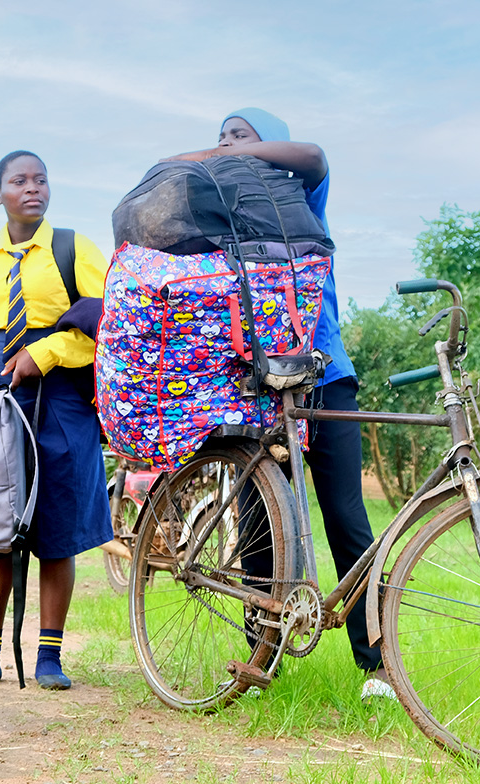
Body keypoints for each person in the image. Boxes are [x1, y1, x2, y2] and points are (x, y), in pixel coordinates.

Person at [164, 108, 395, 701]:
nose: (226, 145)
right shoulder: (227, 221)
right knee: (258, 521)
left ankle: (377, 667)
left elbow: (315, 156)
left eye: (240, 135)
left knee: (347, 519)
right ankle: (261, 660)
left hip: (324, 376)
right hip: (258, 385)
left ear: (271, 143)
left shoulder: (298, 200)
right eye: (220, 137)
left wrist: (213, 156)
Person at [0, 150, 111, 690]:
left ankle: (48, 656)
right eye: (18, 181)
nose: (32, 188)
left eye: (41, 178)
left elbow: (109, 320)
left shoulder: (73, 248)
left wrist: (46, 354)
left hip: (62, 402)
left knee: (56, 527)